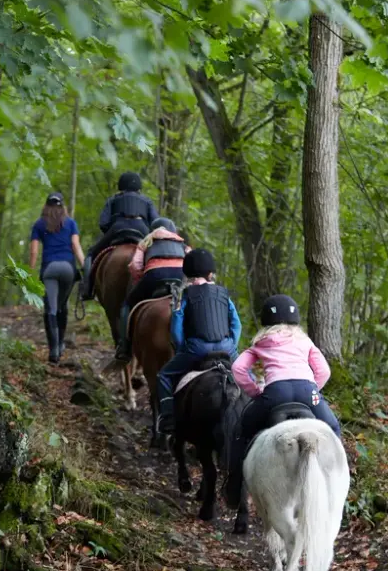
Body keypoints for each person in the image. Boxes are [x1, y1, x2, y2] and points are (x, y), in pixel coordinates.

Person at [223, 294, 341, 508]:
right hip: (308, 393)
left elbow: (238, 368)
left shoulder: (261, 342)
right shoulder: (305, 341)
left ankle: (234, 487)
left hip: (275, 393)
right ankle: (337, 481)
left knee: (241, 431)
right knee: (333, 427)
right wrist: (314, 389)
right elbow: (324, 370)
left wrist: (255, 392)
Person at [155, 249, 242, 435]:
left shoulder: (186, 295)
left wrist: (181, 349)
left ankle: (168, 417)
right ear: (211, 274)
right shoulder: (224, 294)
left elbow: (177, 326)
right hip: (227, 347)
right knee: (245, 373)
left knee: (163, 375)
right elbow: (236, 323)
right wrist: (232, 344)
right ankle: (255, 408)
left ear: (187, 275)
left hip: (197, 348)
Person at [111, 217, 190, 365]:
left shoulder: (146, 242)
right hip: (179, 276)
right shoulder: (181, 243)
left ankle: (124, 348)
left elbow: (135, 266)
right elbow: (191, 262)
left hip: (154, 275)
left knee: (127, 305)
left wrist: (140, 279)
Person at [79, 171, 159, 300]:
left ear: (121, 185)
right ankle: (159, 287)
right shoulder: (147, 201)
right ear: (139, 187)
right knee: (156, 253)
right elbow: (155, 222)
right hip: (141, 229)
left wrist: (111, 232)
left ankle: (87, 290)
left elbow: (103, 223)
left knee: (90, 254)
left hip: (118, 228)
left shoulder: (113, 199)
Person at [29, 192, 85, 364]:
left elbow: (34, 251)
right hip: (68, 269)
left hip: (50, 270)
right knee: (62, 306)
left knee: (51, 309)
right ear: (63, 206)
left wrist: (29, 274)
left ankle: (53, 351)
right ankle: (61, 344)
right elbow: (76, 246)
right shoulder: (71, 223)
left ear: (46, 206)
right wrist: (85, 268)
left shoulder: (39, 224)